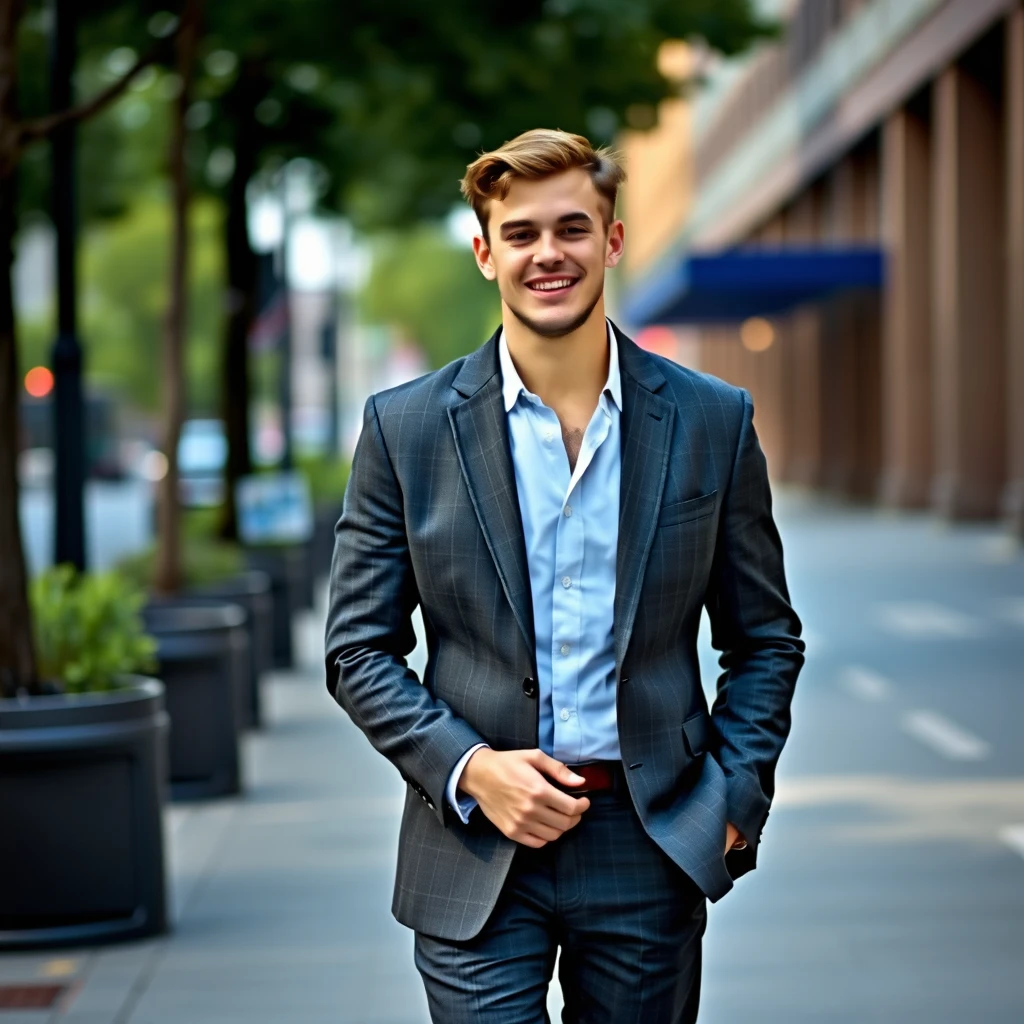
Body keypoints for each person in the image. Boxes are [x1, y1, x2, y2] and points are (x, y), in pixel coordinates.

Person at [325, 128, 804, 1024]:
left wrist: (735, 798)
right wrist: (469, 769)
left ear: (613, 241)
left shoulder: (711, 420)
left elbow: (765, 636)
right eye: (522, 233)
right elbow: (358, 650)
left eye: (573, 228)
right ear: (485, 252)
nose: (549, 253)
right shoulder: (407, 429)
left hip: (649, 834)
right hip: (477, 844)